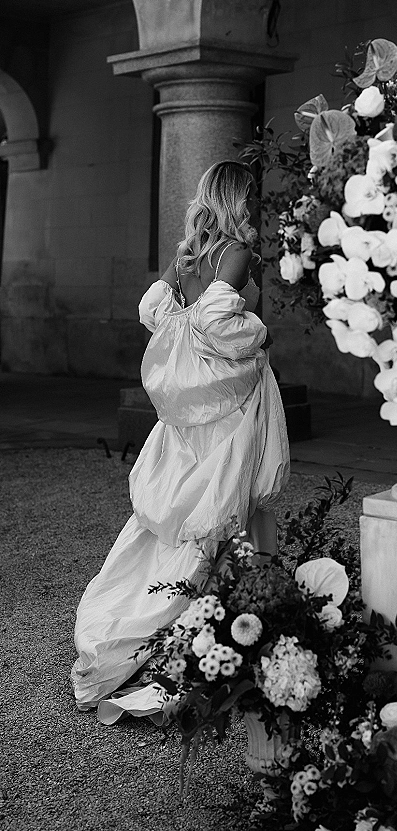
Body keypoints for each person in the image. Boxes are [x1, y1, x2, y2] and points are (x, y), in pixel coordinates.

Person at [71, 160, 290, 723]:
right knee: (221, 512)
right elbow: (219, 323)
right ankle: (223, 632)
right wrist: (260, 334)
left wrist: (183, 297)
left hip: (190, 417)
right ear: (242, 198)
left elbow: (154, 309)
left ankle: (190, 625)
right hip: (224, 414)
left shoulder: (193, 250)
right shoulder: (236, 252)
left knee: (186, 519)